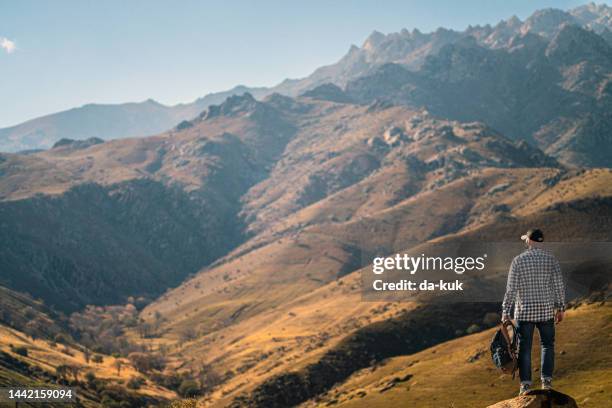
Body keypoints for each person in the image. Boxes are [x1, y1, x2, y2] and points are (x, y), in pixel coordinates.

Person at [501, 229, 565, 395]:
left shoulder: (518, 261)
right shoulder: (551, 260)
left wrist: (505, 311)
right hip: (545, 311)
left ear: (529, 241)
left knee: (524, 349)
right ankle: (547, 383)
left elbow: (511, 290)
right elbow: (558, 286)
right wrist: (560, 308)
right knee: (547, 345)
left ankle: (525, 385)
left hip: (524, 312)